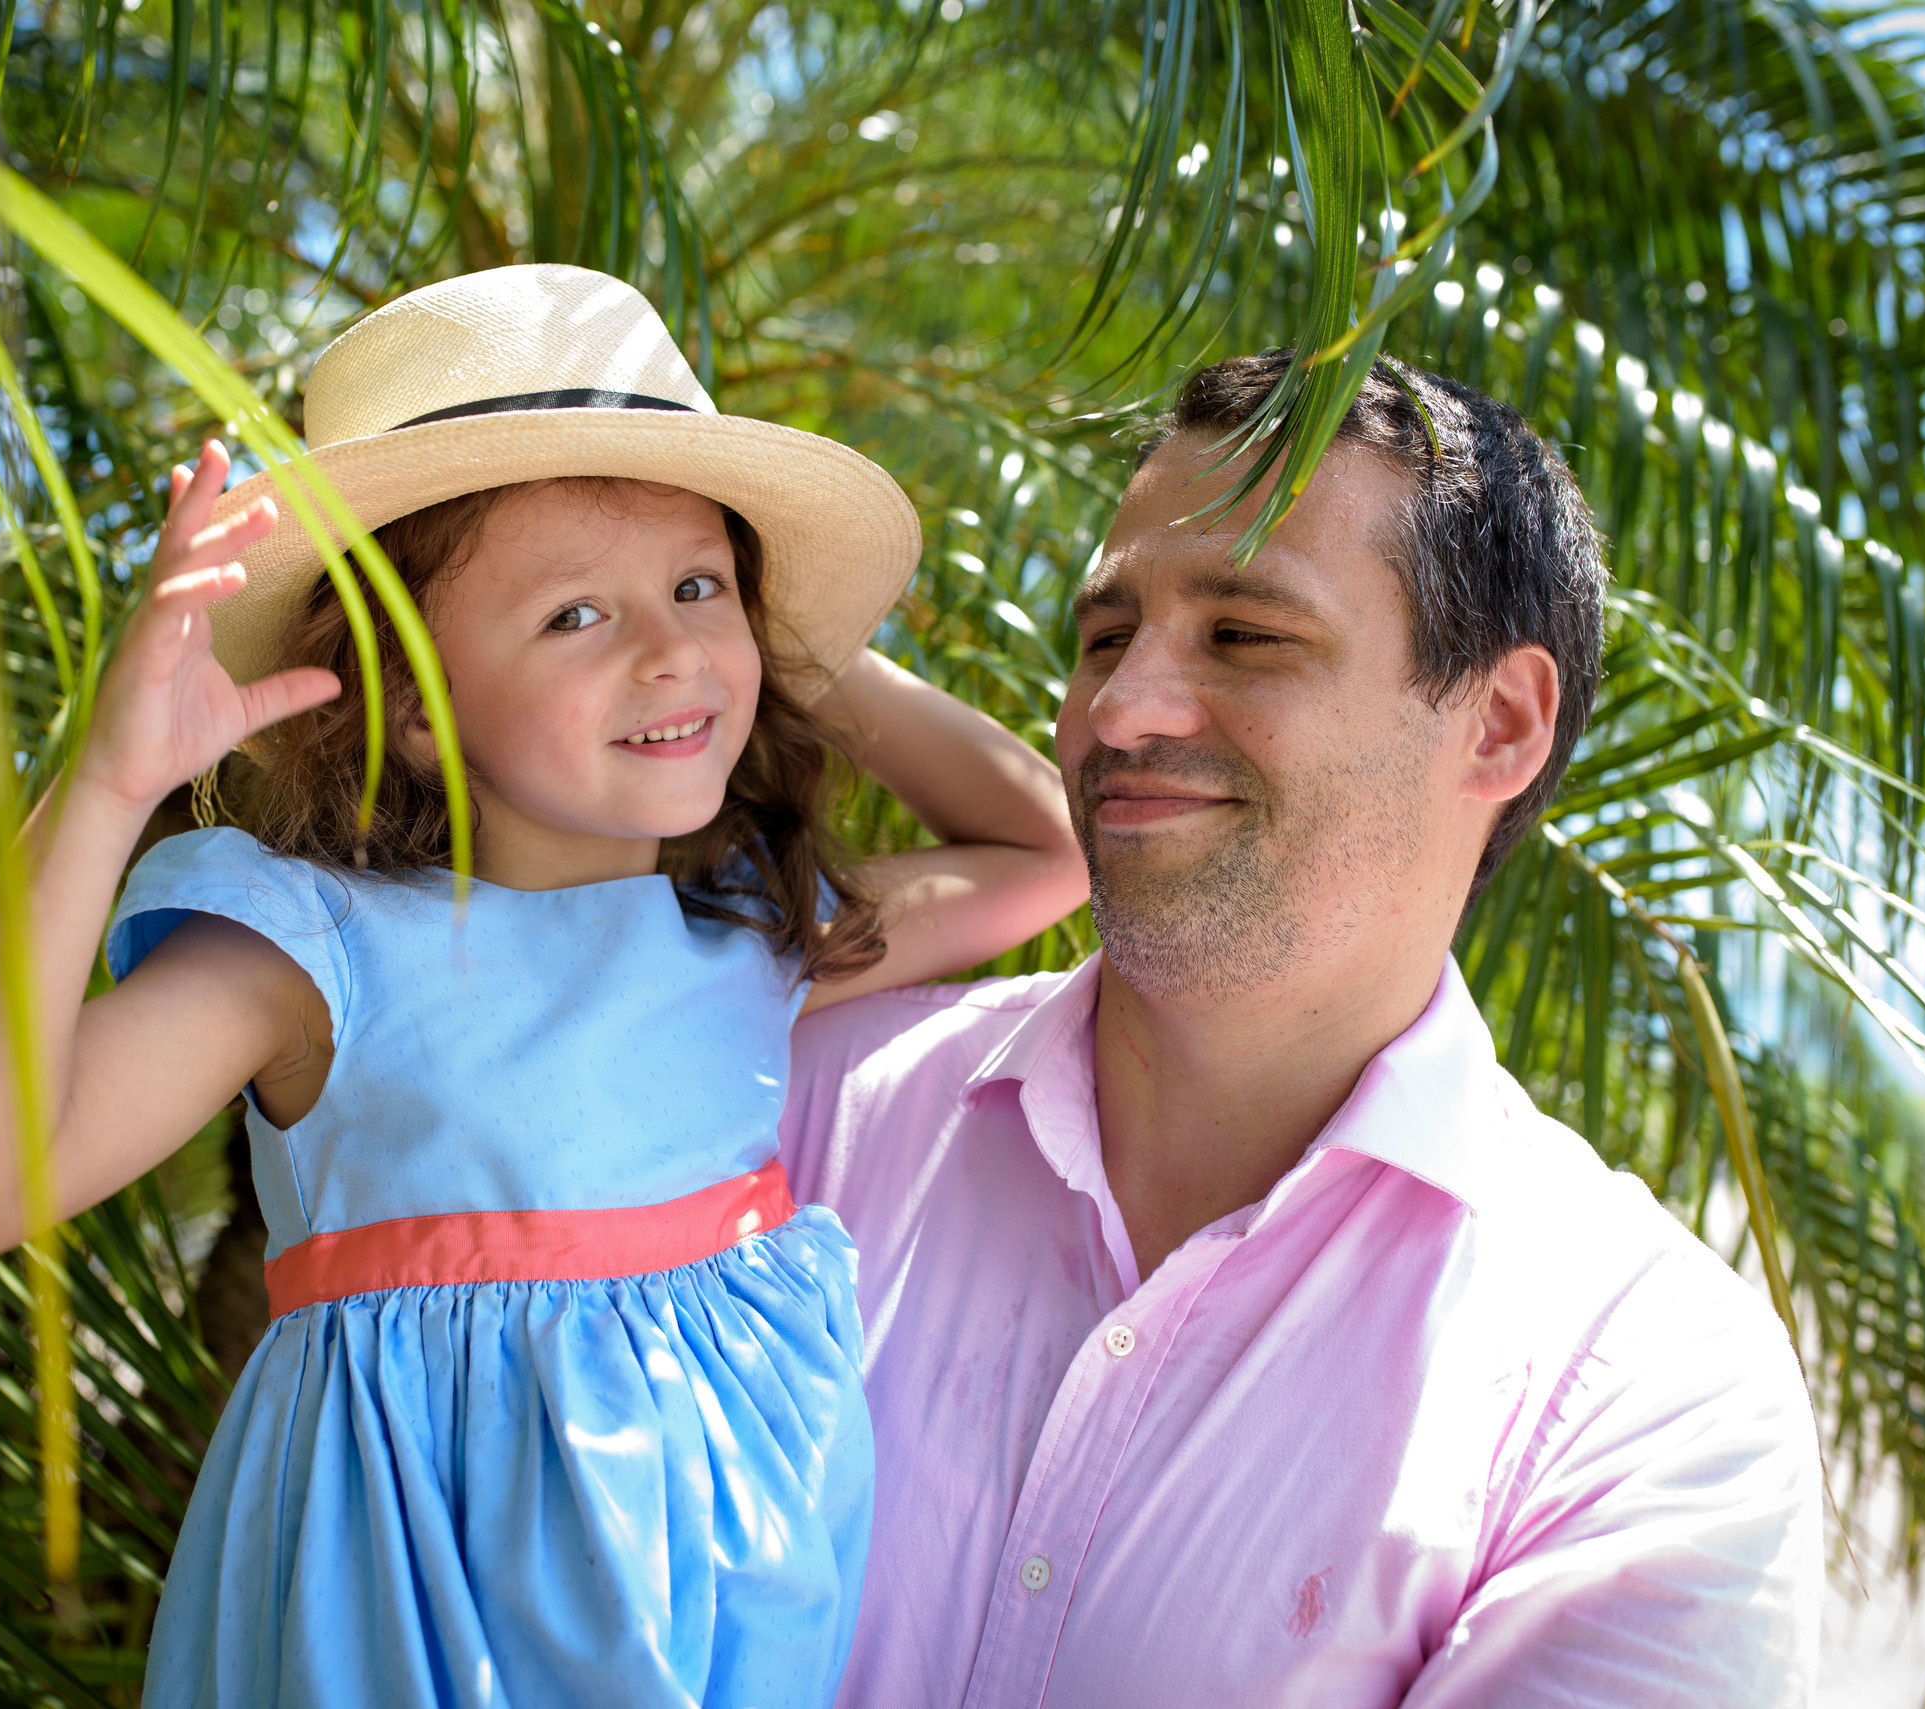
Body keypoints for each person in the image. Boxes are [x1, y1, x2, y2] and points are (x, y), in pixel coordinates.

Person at [0, 265, 1087, 1709]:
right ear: (410, 704)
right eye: (573, 617)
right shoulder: (307, 954)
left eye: (694, 582)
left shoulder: (737, 937)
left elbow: (1050, 847)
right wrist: (99, 787)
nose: (666, 646)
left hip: (729, 1645)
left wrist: (781, 647)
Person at [781, 353, 1824, 1706]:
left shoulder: (1645, 1399)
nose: (1119, 708)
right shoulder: (796, 1104)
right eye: (1105, 636)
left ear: (1498, 724)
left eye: (1247, 634)